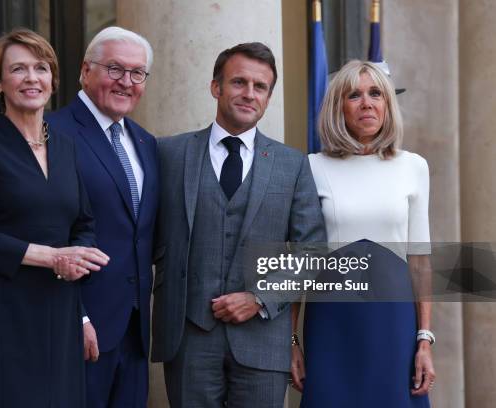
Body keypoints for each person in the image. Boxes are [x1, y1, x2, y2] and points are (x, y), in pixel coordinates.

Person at [152, 42, 326, 408]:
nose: (249, 94)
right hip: (189, 338)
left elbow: (312, 251)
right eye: (238, 82)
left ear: (269, 96)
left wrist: (260, 299)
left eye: (260, 87)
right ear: (216, 87)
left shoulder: (292, 165)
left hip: (263, 342)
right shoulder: (168, 154)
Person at [0, 29, 110, 407]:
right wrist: (53, 257)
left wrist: (77, 270)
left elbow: (83, 224)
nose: (32, 78)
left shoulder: (66, 145)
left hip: (60, 307)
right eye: (18, 69)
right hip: (3, 309)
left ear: (53, 79)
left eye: (41, 68)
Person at [294, 60, 436, 407]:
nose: (367, 103)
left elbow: (419, 261)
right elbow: (299, 261)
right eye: (353, 95)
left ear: (387, 104)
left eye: (376, 93)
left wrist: (424, 340)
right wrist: (292, 343)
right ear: (337, 107)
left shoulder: (413, 166)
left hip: (394, 324)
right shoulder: (311, 167)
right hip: (332, 323)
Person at [47, 26, 159, 407]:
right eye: (114, 68)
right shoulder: (53, 133)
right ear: (85, 70)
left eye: (137, 73)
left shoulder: (145, 142)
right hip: (80, 328)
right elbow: (47, 231)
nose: (126, 82)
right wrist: (76, 318)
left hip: (134, 329)